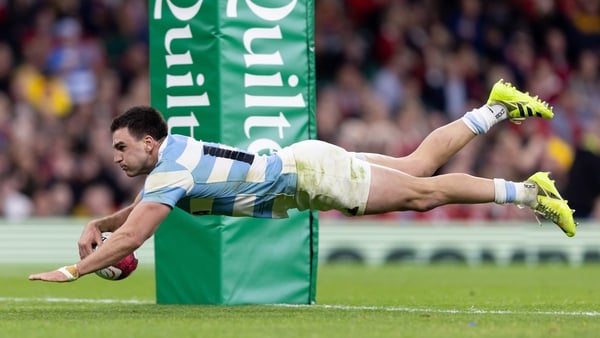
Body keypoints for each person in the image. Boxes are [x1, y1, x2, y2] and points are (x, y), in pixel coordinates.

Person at [29, 79, 576, 283]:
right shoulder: (172, 155)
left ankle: (529, 192)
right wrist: (99, 221)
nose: (117, 158)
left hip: (310, 177)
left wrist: (74, 269)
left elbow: (134, 237)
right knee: (413, 168)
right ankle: (496, 108)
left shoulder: (169, 170)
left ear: (149, 142)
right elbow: (136, 212)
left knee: (423, 192)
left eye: (122, 147)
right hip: (302, 162)